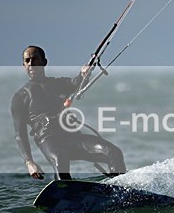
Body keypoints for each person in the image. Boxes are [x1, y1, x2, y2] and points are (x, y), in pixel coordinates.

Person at [11, 45, 126, 180]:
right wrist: (29, 162)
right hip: (48, 138)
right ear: (24, 65)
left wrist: (84, 73)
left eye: (35, 59)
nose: (31, 64)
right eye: (27, 61)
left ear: (44, 62)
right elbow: (20, 134)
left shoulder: (56, 84)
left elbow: (77, 83)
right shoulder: (20, 97)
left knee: (114, 153)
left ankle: (120, 189)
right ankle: (65, 192)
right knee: (61, 160)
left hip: (70, 134)